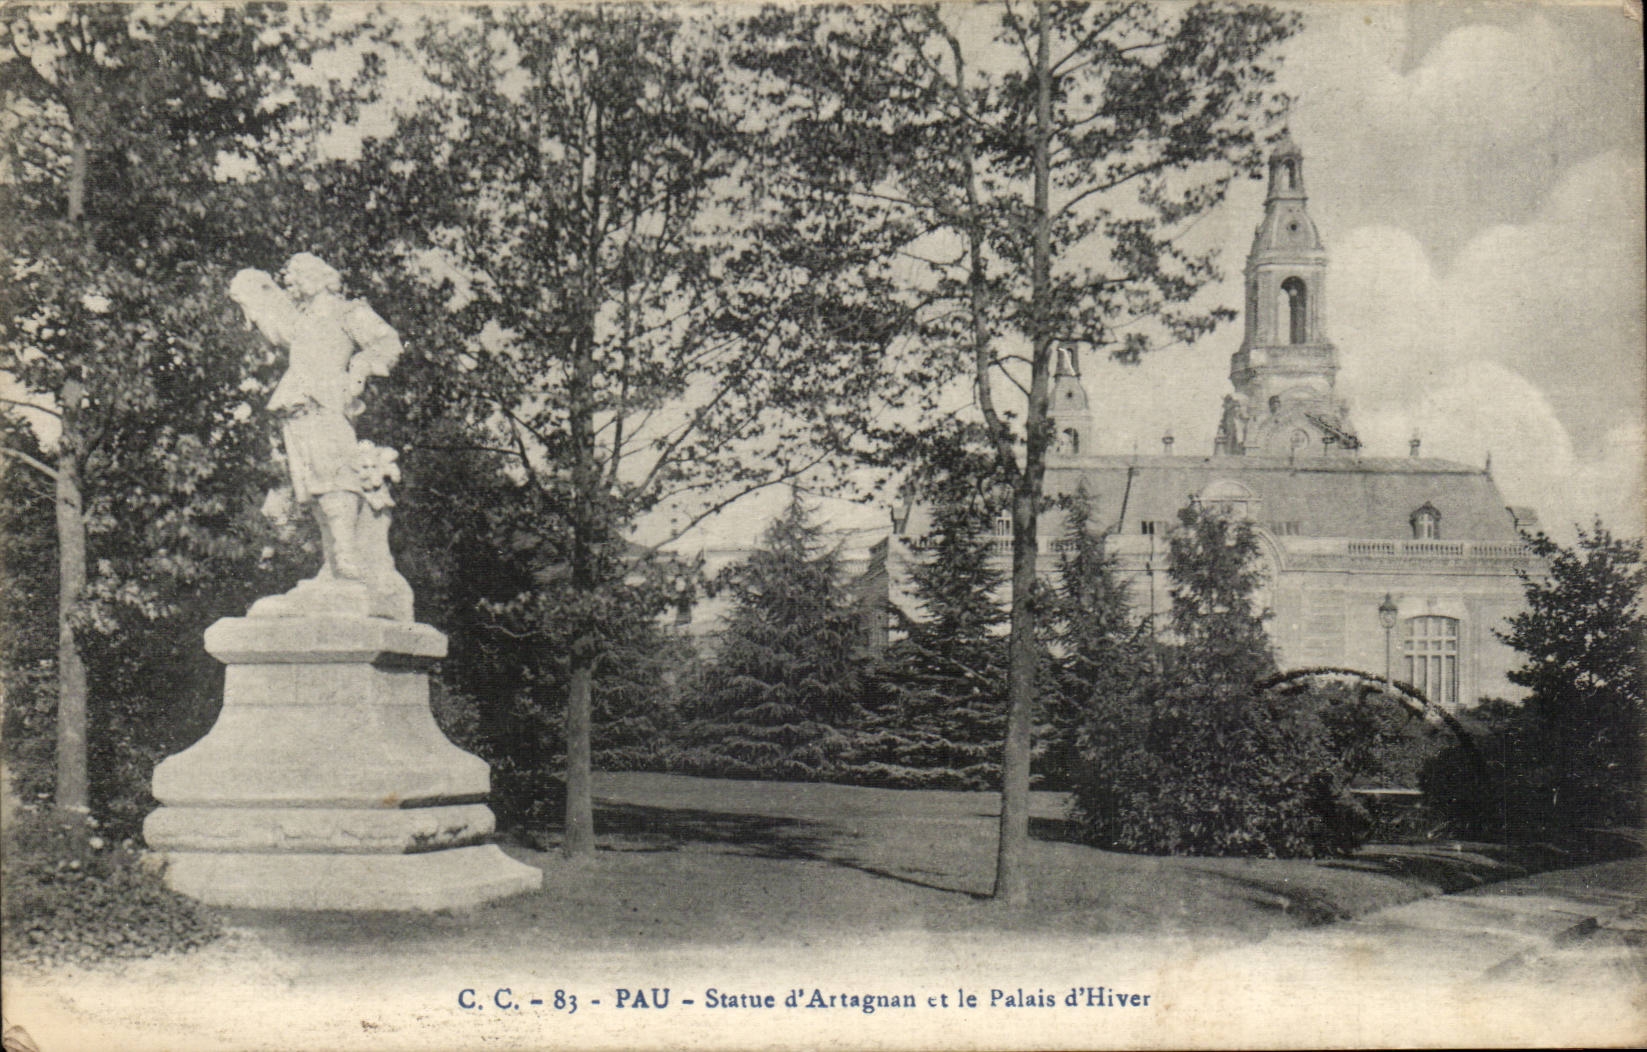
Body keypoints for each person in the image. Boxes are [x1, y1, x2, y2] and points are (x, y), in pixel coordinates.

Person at [230, 254, 402, 589]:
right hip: (297, 404)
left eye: (301, 273)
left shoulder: (347, 311)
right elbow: (275, 323)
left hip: (328, 398)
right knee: (311, 486)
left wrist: (359, 370)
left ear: (323, 276)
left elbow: (388, 342)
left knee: (337, 473)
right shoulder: (301, 319)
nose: (296, 280)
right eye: (292, 277)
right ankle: (334, 564)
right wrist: (250, 292)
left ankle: (349, 557)